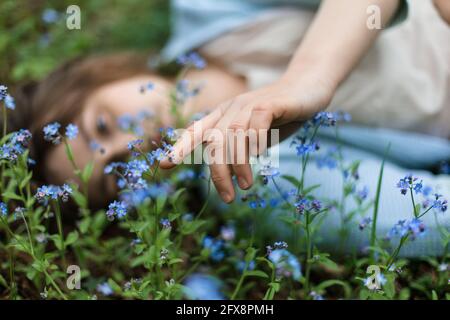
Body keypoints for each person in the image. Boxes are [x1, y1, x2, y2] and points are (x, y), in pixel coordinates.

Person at [3, 0, 449, 255]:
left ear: (101, 74)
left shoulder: (210, 5)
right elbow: (428, 219)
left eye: (101, 124)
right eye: (117, 173)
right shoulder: (249, 188)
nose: (132, 144)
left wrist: (307, 79)